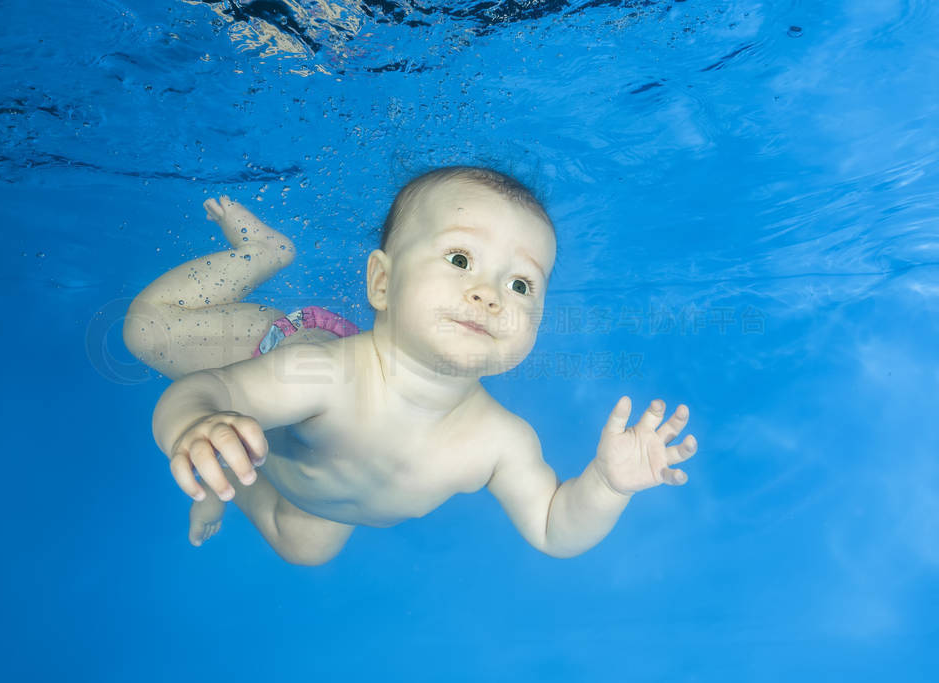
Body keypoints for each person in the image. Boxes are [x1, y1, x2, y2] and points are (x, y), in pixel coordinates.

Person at [124, 166, 698, 565]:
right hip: (279, 347)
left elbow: (553, 528)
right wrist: (195, 425)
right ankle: (263, 254)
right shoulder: (323, 377)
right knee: (146, 332)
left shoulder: (500, 442)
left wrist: (604, 485)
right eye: (459, 258)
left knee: (304, 549)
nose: (489, 294)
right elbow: (206, 388)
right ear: (381, 281)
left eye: (521, 283)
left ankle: (223, 475)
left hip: (312, 494)